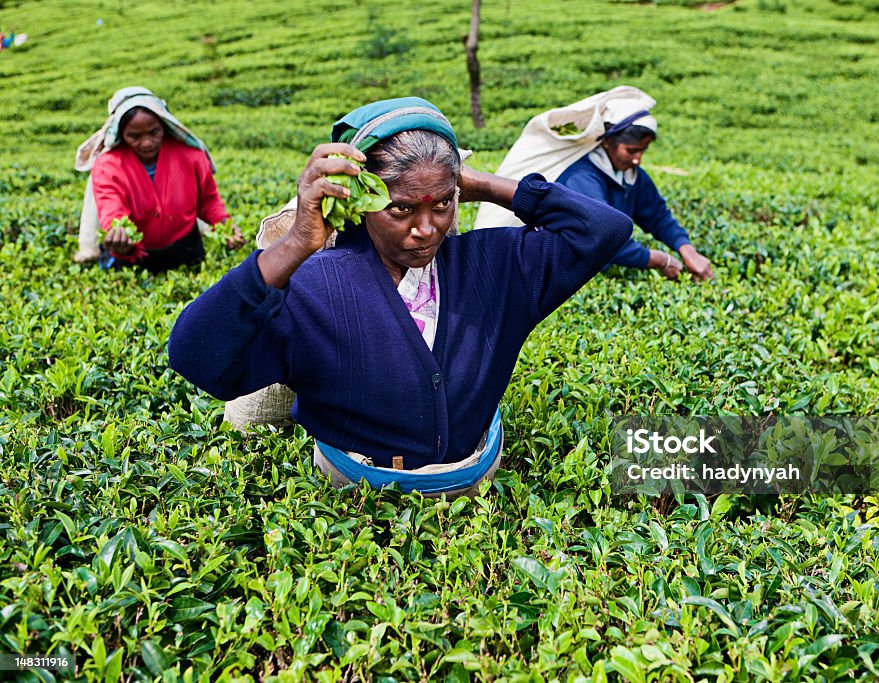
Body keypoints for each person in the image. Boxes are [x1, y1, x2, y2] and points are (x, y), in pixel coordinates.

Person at [168, 97, 632, 497]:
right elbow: (196, 354)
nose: (426, 229)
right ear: (362, 202)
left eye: (442, 204)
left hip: (475, 484)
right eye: (401, 208)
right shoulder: (315, 287)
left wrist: (483, 184)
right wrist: (295, 244)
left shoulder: (494, 266)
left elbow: (604, 230)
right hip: (355, 495)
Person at [74, 86, 244, 271]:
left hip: (185, 249)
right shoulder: (109, 165)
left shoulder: (191, 155)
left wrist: (226, 227)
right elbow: (111, 208)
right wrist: (118, 233)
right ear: (120, 133)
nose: (146, 142)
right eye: (135, 136)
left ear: (164, 125)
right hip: (133, 257)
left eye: (154, 132)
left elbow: (209, 201)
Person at [557, 100, 713, 282]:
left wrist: (687, 250)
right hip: (567, 274)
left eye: (642, 151)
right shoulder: (581, 177)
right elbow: (604, 235)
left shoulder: (631, 174)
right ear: (607, 142)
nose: (637, 160)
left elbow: (657, 215)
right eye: (631, 151)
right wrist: (659, 259)